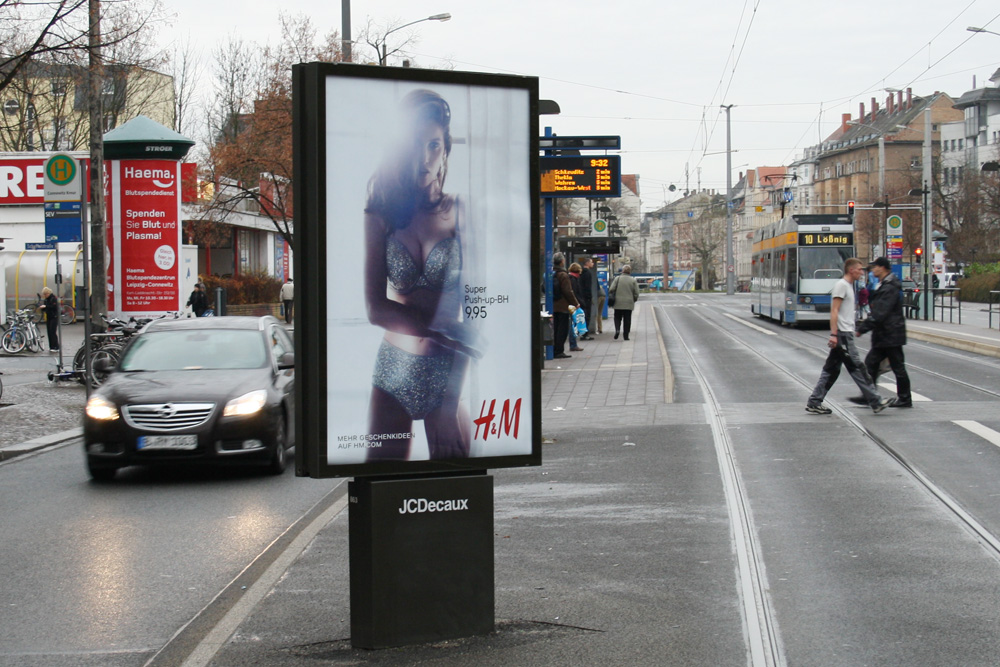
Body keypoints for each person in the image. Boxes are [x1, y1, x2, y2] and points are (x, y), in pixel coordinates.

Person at [363, 88, 478, 461]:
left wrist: (451, 390)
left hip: (447, 372)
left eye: (433, 145)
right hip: (393, 368)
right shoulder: (379, 214)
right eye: (415, 144)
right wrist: (444, 332)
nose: (424, 157)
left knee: (456, 482)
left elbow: (476, 299)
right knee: (382, 483)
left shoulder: (462, 211)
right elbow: (376, 309)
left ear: (445, 150)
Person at [806, 258, 892, 415]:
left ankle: (814, 401)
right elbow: (834, 311)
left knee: (831, 370)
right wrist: (834, 334)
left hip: (845, 333)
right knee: (857, 368)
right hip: (843, 334)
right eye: (859, 269)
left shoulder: (850, 286)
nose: (862, 272)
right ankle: (875, 401)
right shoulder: (841, 286)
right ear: (851, 270)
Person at [852, 256, 912, 408]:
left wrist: (863, 328)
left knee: (895, 366)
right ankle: (870, 395)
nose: (873, 270)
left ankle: (904, 398)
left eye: (875, 267)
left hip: (890, 334)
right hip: (886, 334)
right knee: (872, 364)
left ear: (882, 268)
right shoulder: (885, 284)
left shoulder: (890, 286)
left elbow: (880, 312)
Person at [551, 252, 579, 359]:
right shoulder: (563, 274)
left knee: (555, 329)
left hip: (553, 305)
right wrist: (575, 303)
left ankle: (554, 349)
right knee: (562, 330)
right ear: (562, 261)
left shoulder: (551, 273)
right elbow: (568, 291)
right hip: (563, 306)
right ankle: (559, 351)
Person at [609, 264, 639, 340]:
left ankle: (617, 330)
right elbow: (636, 293)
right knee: (627, 319)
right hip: (629, 303)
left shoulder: (617, 278)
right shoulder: (633, 280)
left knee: (617, 317)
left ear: (622, 271)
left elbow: (611, 289)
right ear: (630, 271)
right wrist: (633, 300)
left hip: (618, 302)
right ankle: (626, 336)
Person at [567, 262, 586, 352]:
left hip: (569, 305)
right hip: (572, 306)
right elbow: (574, 293)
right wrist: (578, 303)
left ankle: (573, 343)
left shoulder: (569, 278)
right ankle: (573, 344)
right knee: (573, 325)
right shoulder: (573, 279)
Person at [579, 258, 595, 340]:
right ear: (587, 263)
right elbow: (588, 287)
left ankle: (582, 333)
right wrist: (589, 297)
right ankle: (585, 334)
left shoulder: (581, 273)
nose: (593, 264)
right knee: (587, 315)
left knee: (582, 316)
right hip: (586, 298)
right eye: (591, 262)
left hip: (581, 297)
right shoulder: (588, 273)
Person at [41, 286, 59, 352]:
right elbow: (47, 308)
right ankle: (51, 346)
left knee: (52, 331)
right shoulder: (46, 300)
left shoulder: (53, 298)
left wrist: (46, 306)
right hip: (49, 316)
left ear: (48, 293)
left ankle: (56, 346)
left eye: (45, 294)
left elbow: (54, 307)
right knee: (49, 331)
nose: (45, 295)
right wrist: (44, 308)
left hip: (54, 316)